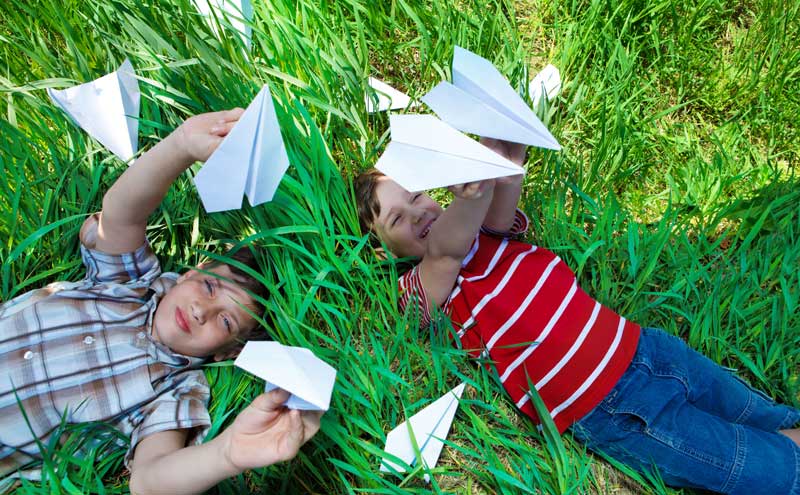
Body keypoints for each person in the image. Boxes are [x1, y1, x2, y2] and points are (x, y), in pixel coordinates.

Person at [354, 138, 800, 494]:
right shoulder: (425, 284)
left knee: (757, 412)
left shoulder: (485, 233)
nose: (417, 214)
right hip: (609, 407)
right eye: (396, 219)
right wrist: (470, 198)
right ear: (381, 249)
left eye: (416, 196)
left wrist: (504, 151)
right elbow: (444, 250)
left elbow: (505, 186)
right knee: (752, 465)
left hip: (645, 347)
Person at [0, 109, 322, 494]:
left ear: (228, 351)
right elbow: (120, 215)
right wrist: (181, 146)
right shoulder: (130, 283)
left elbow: (150, 480)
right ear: (190, 272)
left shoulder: (175, 389)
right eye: (208, 287)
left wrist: (228, 453)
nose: (203, 311)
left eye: (225, 323)